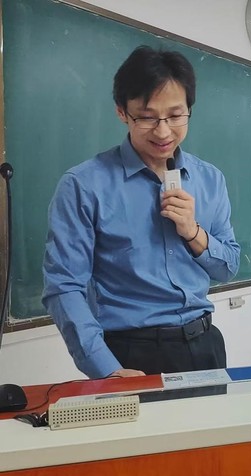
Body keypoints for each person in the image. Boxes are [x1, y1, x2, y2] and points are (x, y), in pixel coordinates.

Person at [42, 45, 240, 379]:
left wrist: (193, 232)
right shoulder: (84, 185)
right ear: (122, 112)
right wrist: (107, 370)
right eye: (147, 117)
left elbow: (229, 266)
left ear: (189, 110)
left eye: (175, 116)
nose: (163, 132)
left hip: (205, 345)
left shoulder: (209, 179)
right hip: (131, 354)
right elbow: (64, 286)